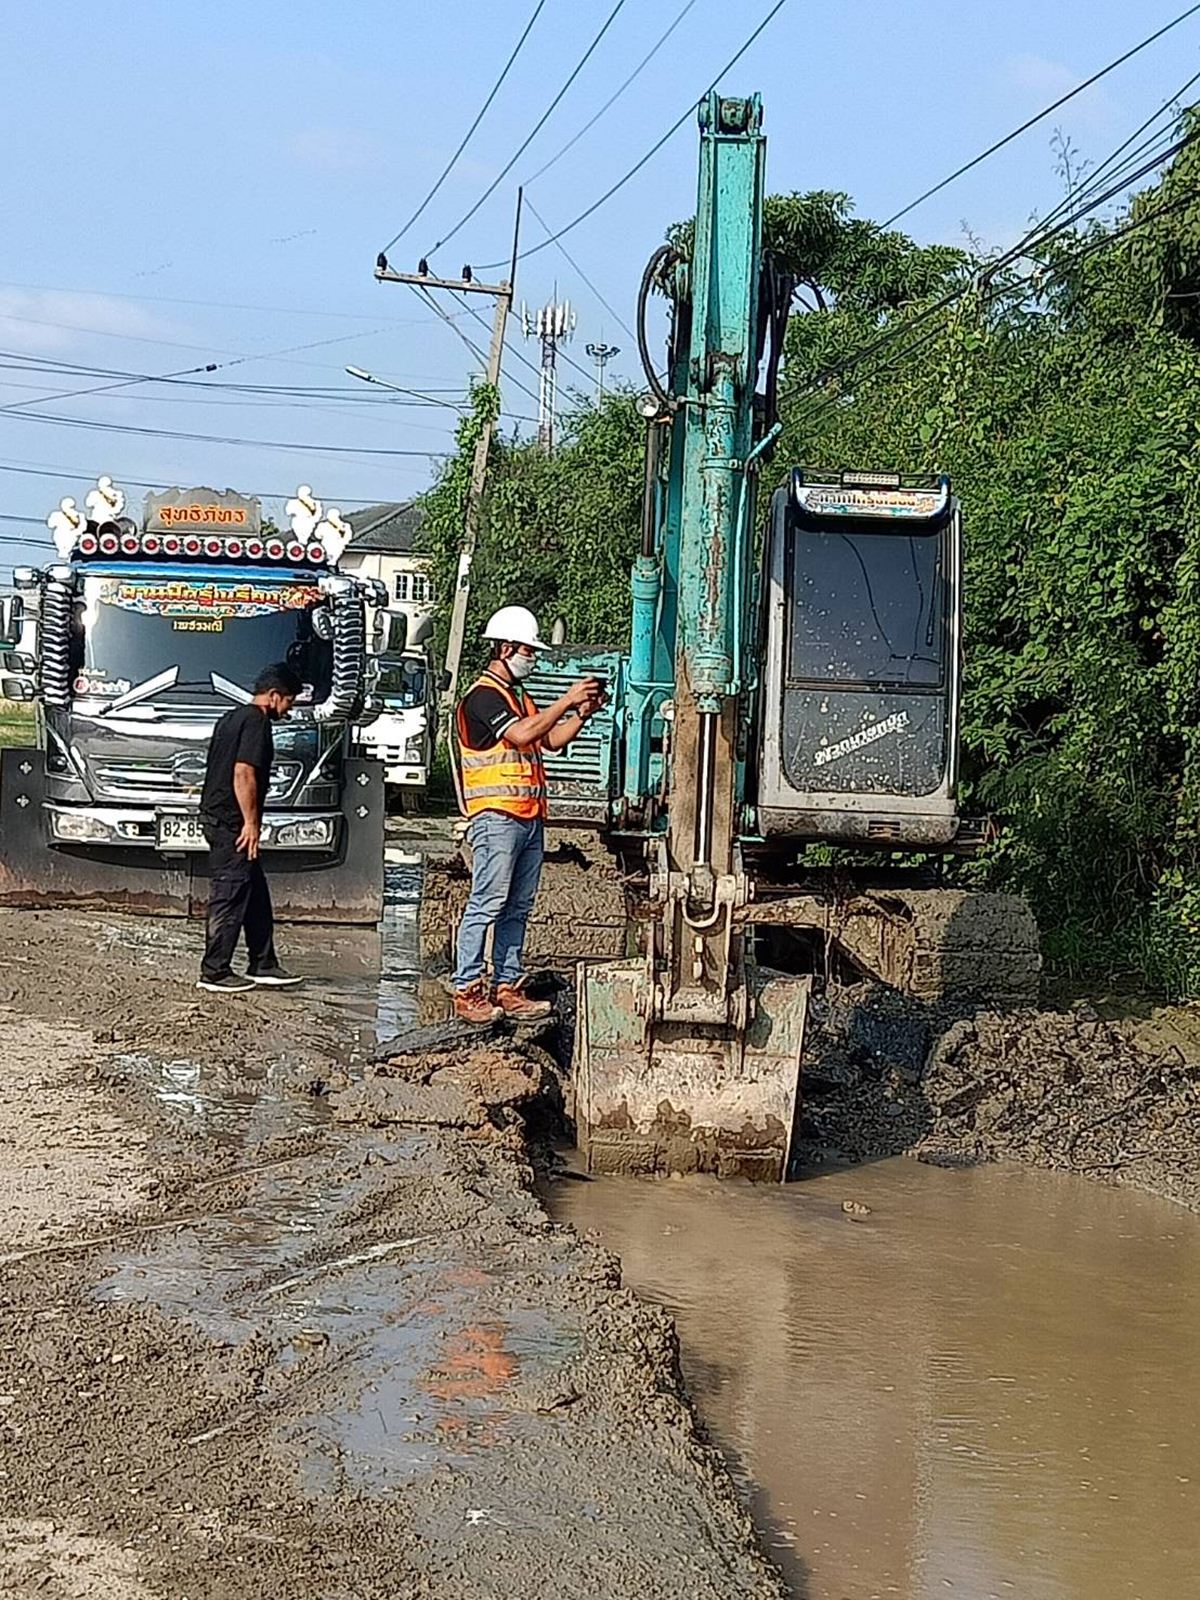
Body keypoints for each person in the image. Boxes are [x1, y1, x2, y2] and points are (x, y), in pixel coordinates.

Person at [453, 605, 602, 1024]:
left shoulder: (518, 697)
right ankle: (467, 989)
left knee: (517, 906)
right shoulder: (482, 697)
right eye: (527, 651)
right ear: (505, 648)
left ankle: (507, 986)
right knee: (487, 902)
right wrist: (566, 698)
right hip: (496, 818)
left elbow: (550, 740)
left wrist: (581, 713)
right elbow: (521, 734)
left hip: (528, 818)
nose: (531, 659)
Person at [197, 662, 304, 993]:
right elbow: (243, 772)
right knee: (230, 894)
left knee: (255, 894)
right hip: (232, 824)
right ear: (274, 696)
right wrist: (251, 823)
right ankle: (215, 972)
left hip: (220, 817)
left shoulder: (231, 717)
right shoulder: (257, 721)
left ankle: (263, 963)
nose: (288, 710)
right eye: (288, 702)